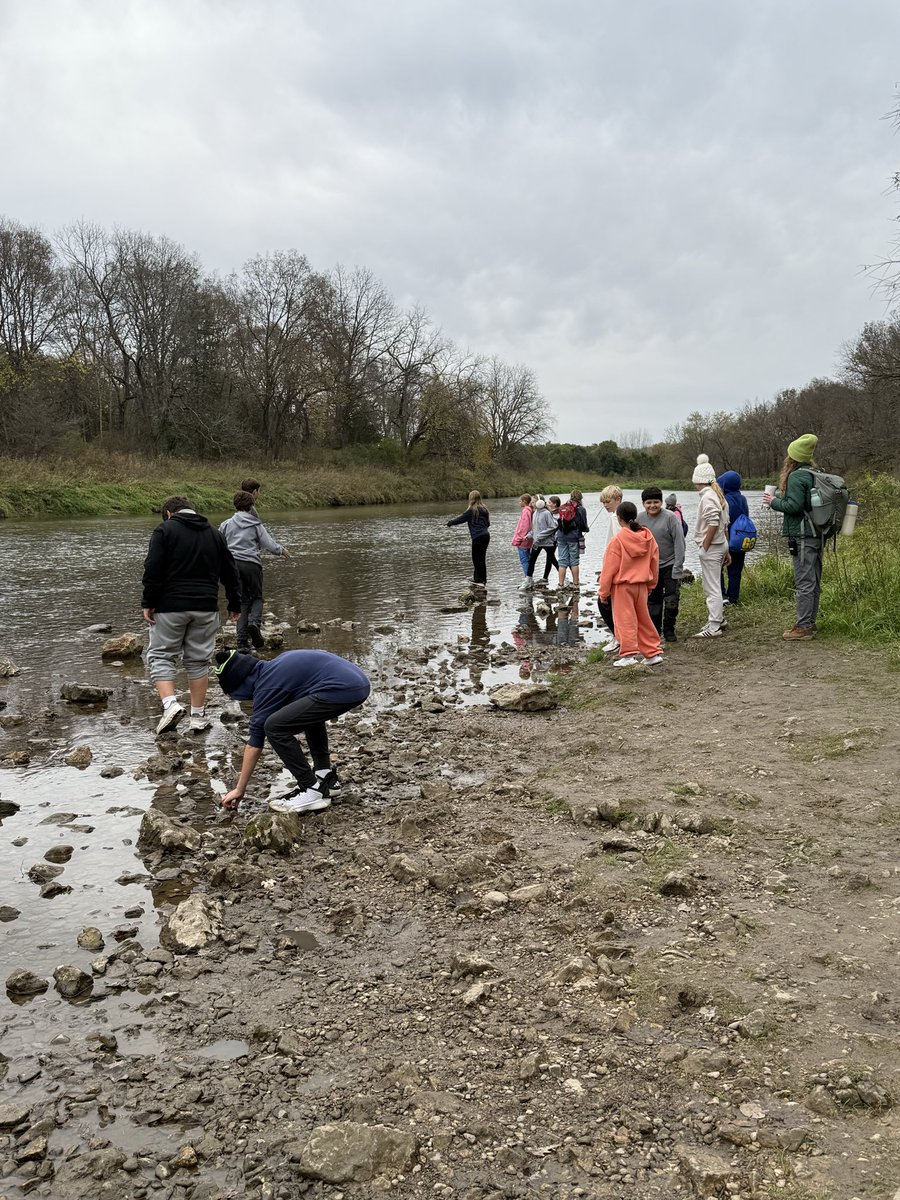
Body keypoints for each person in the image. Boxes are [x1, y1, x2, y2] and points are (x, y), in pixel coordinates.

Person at [215, 648, 371, 813]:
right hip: (359, 682)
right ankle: (325, 777)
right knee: (306, 712)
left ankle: (310, 790)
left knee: (274, 727)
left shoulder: (266, 687)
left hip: (344, 688)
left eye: (235, 695)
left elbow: (254, 745)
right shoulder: (274, 668)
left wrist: (240, 789)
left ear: (241, 685)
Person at [141, 496, 241, 736]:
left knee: (162, 656)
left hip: (170, 606)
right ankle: (197, 717)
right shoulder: (215, 534)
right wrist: (235, 603)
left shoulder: (164, 531)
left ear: (168, 514)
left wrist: (149, 602)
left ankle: (171, 705)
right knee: (198, 661)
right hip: (206, 607)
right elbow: (230, 570)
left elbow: (153, 569)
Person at [761, 433, 823, 640]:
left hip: (802, 535)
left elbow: (794, 507)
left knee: (804, 581)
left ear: (793, 457)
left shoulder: (796, 476)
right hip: (816, 534)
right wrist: (780, 497)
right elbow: (802, 502)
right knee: (813, 580)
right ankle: (810, 623)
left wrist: (773, 502)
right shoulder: (813, 473)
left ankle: (803, 627)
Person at [219, 491, 290, 652]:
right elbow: (268, 543)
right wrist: (281, 550)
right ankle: (254, 624)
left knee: (242, 601)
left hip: (233, 566)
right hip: (251, 565)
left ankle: (242, 643)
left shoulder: (226, 524)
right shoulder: (255, 525)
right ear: (251, 506)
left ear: (235, 506)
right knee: (257, 597)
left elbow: (219, 544)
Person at [598, 501, 662, 668]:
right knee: (643, 619)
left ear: (619, 519)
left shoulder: (617, 540)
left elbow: (609, 569)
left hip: (622, 586)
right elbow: (654, 563)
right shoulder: (648, 537)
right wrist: (651, 585)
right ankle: (652, 653)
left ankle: (628, 655)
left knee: (624, 620)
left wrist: (603, 592)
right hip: (642, 585)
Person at [636, 486, 685, 643]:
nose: (652, 506)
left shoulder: (670, 517)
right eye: (648, 502)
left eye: (656, 502)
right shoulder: (639, 519)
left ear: (661, 502)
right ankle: (655, 632)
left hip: (670, 564)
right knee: (653, 602)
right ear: (643, 503)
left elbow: (679, 543)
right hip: (650, 567)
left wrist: (678, 567)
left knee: (671, 600)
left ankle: (669, 630)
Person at [692, 455, 731, 638]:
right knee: (713, 584)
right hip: (720, 545)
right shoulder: (718, 494)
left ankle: (714, 625)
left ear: (697, 480)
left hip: (712, 548)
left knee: (711, 587)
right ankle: (718, 618)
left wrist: (704, 547)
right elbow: (725, 524)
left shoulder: (708, 497)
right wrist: (727, 548)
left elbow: (714, 522)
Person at [595, 485, 622, 652]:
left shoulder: (615, 518)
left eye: (608, 501)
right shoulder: (621, 516)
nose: (605, 505)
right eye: (603, 502)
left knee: (605, 603)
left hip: (616, 571)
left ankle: (618, 638)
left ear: (618, 500)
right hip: (615, 569)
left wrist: (606, 573)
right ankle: (619, 637)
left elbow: (618, 546)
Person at [717, 471, 749, 605]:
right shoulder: (743, 499)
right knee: (736, 571)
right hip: (741, 539)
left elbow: (722, 522)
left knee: (718, 569)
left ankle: (722, 596)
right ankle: (733, 598)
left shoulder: (723, 501)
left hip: (727, 539)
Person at [447, 491, 491, 587]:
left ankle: (478, 579)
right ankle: (482, 579)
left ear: (471, 499)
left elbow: (460, 519)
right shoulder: (485, 509)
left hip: (477, 537)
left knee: (476, 559)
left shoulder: (471, 510)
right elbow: (488, 524)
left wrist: (450, 523)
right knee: (482, 558)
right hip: (486, 535)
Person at [556, 489, 589, 593]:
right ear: (580, 498)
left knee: (562, 561)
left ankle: (560, 585)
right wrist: (586, 529)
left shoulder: (563, 507)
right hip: (574, 538)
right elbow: (584, 526)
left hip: (561, 537)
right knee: (574, 561)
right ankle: (576, 585)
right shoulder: (581, 509)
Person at [521, 498, 558, 590]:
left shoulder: (546, 513)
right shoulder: (535, 513)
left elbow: (552, 527)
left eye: (533, 502)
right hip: (537, 542)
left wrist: (540, 536)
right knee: (532, 560)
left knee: (552, 560)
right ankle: (528, 581)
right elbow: (534, 529)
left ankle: (564, 578)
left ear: (539, 503)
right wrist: (528, 535)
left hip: (548, 542)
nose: (532, 504)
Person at [511, 494, 534, 576]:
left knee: (524, 560)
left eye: (520, 501)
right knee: (528, 559)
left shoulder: (525, 511)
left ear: (524, 501)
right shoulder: (530, 510)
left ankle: (527, 578)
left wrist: (519, 539)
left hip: (523, 540)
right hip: (528, 539)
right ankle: (529, 578)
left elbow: (524, 527)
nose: (519, 502)